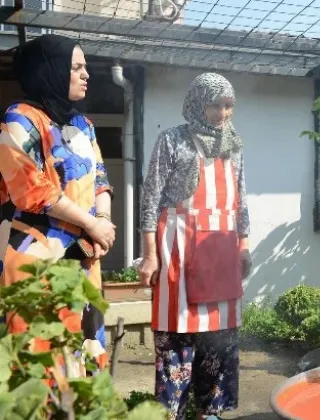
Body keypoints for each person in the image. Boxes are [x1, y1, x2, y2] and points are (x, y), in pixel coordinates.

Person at [138, 72, 252, 420]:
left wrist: (244, 245)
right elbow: (150, 198)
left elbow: (241, 200)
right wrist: (149, 254)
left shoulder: (235, 144)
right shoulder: (173, 140)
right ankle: (170, 412)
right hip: (179, 246)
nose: (223, 113)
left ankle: (209, 412)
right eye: (215, 105)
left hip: (221, 246)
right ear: (197, 104)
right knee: (177, 333)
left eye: (228, 105)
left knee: (219, 336)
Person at [0, 34, 116, 370]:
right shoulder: (18, 118)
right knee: (38, 358)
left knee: (82, 358)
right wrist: (92, 223)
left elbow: (100, 179)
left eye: (85, 67)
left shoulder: (84, 125)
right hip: (36, 257)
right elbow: (31, 189)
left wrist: (103, 221)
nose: (86, 74)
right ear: (49, 70)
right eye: (76, 67)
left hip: (82, 255)